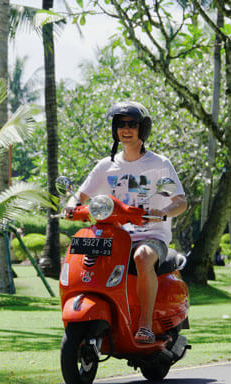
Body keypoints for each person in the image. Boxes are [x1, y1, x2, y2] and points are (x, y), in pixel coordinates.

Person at [64, 101, 187, 344]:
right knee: (80, 252)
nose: (126, 129)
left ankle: (144, 327)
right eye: (121, 124)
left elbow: (180, 201)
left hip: (151, 235)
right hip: (114, 236)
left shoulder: (157, 165)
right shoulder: (107, 166)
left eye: (132, 124)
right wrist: (70, 205)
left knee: (142, 256)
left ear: (143, 129)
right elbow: (80, 196)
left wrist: (163, 213)